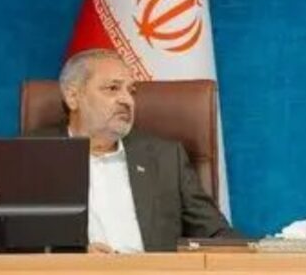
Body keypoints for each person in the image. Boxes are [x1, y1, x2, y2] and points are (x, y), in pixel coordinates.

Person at [32, 49, 240, 252]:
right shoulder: (33, 155)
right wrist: (74, 254)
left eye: (131, 91)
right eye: (113, 88)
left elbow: (217, 234)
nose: (127, 100)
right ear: (73, 96)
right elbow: (17, 240)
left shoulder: (165, 159)